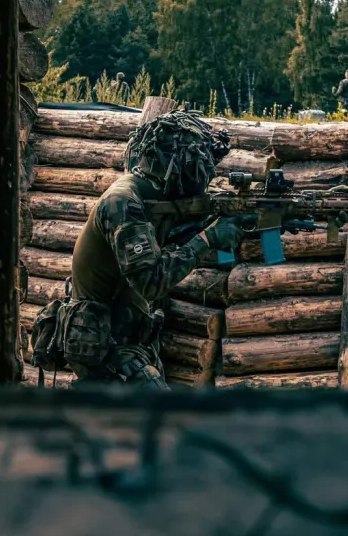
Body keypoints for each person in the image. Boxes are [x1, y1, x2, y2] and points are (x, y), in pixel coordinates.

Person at [66, 112, 247, 388]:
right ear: (173, 167)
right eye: (196, 168)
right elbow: (150, 281)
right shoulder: (123, 203)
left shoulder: (152, 198)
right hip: (105, 347)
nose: (202, 179)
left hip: (129, 343)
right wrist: (208, 238)